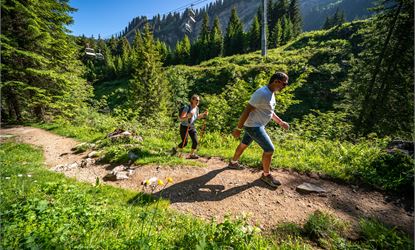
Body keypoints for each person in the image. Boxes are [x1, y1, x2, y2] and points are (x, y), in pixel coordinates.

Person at [228, 72, 290, 187]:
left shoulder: (271, 93)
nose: (284, 87)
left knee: (243, 144)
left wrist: (280, 122)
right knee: (269, 149)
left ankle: (233, 162)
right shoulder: (262, 93)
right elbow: (247, 110)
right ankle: (266, 175)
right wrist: (238, 128)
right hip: (254, 126)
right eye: (284, 84)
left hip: (255, 125)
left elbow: (269, 111)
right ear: (276, 81)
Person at [172, 94, 208, 159]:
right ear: (192, 100)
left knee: (195, 141)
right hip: (184, 126)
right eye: (196, 100)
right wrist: (187, 116)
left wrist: (203, 115)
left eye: (199, 100)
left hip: (191, 126)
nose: (198, 101)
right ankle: (175, 149)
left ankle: (191, 154)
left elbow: (196, 117)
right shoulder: (187, 107)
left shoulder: (197, 108)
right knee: (184, 142)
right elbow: (181, 118)